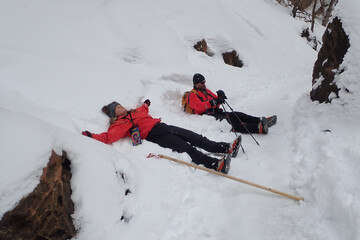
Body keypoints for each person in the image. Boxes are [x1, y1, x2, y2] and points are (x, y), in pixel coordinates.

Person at [82, 100, 241, 174]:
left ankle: (226, 148)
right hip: (154, 135)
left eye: (120, 104)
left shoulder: (136, 111)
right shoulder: (120, 124)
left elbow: (144, 109)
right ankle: (215, 164)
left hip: (164, 127)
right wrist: (92, 136)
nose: (121, 107)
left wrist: (145, 105)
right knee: (186, 148)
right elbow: (108, 137)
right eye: (117, 108)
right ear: (113, 114)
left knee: (195, 137)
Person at [186, 73, 277, 134]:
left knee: (237, 114)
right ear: (197, 84)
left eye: (204, 81)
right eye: (202, 82)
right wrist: (214, 102)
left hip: (216, 112)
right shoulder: (192, 95)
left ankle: (260, 120)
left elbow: (216, 102)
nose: (204, 84)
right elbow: (198, 107)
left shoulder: (206, 91)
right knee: (232, 122)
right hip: (207, 117)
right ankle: (258, 128)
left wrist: (220, 98)